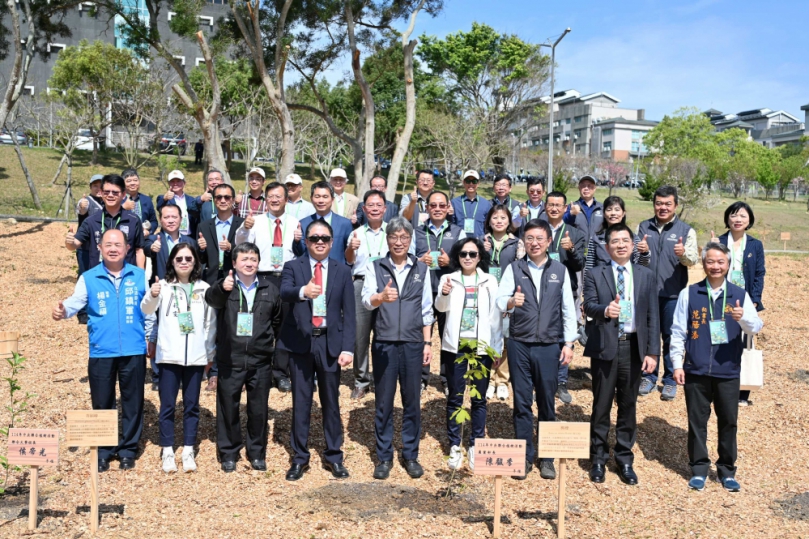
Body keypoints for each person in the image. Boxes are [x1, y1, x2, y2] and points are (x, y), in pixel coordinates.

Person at [52, 229, 148, 472]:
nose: (113, 249)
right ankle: (104, 450)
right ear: (99, 248)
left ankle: (128, 450)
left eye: (118, 244)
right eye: (108, 244)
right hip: (101, 350)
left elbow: (149, 311)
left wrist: (151, 339)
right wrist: (63, 310)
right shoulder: (89, 277)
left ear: (127, 248)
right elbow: (75, 302)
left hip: (133, 348)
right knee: (102, 401)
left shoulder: (139, 275)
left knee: (133, 401)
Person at [671, 242, 763, 492]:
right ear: (703, 264)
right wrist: (677, 364)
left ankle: (727, 470)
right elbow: (678, 331)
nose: (715, 266)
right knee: (696, 422)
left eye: (721, 262)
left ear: (728, 264)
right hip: (696, 369)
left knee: (728, 421)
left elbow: (756, 326)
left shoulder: (739, 294)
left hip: (728, 370)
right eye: (710, 261)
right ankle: (699, 469)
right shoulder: (689, 293)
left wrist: (743, 317)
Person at [496, 219, 579, 480]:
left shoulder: (560, 270)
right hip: (519, 343)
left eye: (539, 238)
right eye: (529, 238)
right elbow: (499, 300)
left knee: (546, 401)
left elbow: (568, 309)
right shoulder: (514, 268)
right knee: (522, 402)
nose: (534, 243)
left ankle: (547, 458)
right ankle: (523, 456)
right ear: (524, 241)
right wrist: (511, 301)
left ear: (549, 241)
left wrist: (569, 343)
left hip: (549, 345)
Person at [278, 220, 356, 481]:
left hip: (329, 343)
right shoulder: (293, 266)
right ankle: (300, 458)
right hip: (301, 343)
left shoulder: (342, 270)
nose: (319, 242)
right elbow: (284, 292)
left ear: (332, 242)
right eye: (314, 238)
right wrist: (304, 291)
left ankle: (334, 456)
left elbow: (349, 314)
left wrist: (348, 348)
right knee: (301, 402)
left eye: (324, 238)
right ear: (306, 242)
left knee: (331, 402)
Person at [582, 223, 660, 485]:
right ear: (607, 247)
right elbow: (588, 305)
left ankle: (624, 458)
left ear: (632, 244)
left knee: (628, 405)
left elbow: (653, 315)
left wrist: (653, 352)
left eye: (625, 240)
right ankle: (598, 458)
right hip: (605, 347)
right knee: (601, 405)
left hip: (634, 347)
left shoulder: (645, 274)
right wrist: (605, 310)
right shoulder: (595, 273)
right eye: (615, 241)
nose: (621, 245)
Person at [362, 217, 433, 480]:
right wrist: (380, 297)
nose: (399, 242)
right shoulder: (375, 266)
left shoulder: (421, 269)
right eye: (394, 236)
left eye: (404, 237)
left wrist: (427, 343)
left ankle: (410, 455)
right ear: (387, 239)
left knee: (412, 401)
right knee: (383, 401)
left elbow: (427, 309)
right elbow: (366, 300)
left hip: (413, 343)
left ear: (410, 239)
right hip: (384, 342)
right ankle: (384, 457)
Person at [205, 242, 283, 473]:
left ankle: (256, 453)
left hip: (260, 360)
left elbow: (277, 320)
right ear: (234, 263)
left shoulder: (270, 288)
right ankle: (229, 453)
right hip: (231, 358)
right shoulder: (226, 286)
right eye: (244, 259)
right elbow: (211, 299)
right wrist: (222, 288)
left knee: (258, 409)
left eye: (253, 259)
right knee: (228, 407)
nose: (249, 263)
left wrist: (267, 343)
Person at [141, 243, 216, 473]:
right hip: (169, 357)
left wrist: (209, 354)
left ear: (195, 262)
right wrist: (152, 295)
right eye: (179, 259)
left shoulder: (203, 288)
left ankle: (188, 449)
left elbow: (210, 324)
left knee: (192, 406)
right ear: (172, 262)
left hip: (195, 358)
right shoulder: (163, 286)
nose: (184, 262)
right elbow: (146, 309)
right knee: (167, 406)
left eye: (188, 258)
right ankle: (167, 450)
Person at [435, 237, 503, 471]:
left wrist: (497, 347)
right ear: (457, 256)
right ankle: (455, 445)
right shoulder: (448, 279)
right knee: (455, 397)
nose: (467, 258)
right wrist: (444, 294)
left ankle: (475, 444)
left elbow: (496, 316)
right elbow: (440, 307)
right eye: (463, 254)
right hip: (456, 346)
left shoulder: (489, 281)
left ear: (479, 257)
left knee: (479, 398)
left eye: (472, 254)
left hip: (481, 347)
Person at [234, 181, 300, 393]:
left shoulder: (295, 223)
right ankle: (255, 370)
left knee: (284, 327)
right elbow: (240, 243)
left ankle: (280, 373)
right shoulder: (256, 221)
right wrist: (245, 227)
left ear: (286, 199)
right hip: (263, 277)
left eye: (278, 196)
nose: (274, 200)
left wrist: (299, 240)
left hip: (287, 277)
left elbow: (299, 252)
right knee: (259, 325)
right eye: (270, 196)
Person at [636, 185, 699, 401]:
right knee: (648, 335)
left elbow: (692, 260)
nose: (663, 207)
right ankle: (648, 376)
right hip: (646, 292)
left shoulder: (686, 231)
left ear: (676, 205)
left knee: (671, 336)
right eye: (659, 203)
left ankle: (671, 379)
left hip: (673, 294)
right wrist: (642, 252)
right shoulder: (643, 227)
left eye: (667, 204)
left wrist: (683, 254)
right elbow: (636, 259)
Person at [415, 191, 466, 394]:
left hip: (448, 292)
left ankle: (446, 379)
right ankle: (421, 378)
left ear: (448, 208)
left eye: (441, 205)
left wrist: (451, 262)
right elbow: (405, 260)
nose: (437, 209)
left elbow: (468, 262)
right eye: (433, 205)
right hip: (422, 292)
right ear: (427, 207)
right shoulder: (417, 232)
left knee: (449, 336)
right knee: (421, 337)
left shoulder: (459, 233)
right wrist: (419, 261)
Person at [716, 202, 765, 407]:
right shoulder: (719, 241)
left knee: (745, 343)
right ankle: (719, 387)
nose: (738, 219)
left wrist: (755, 299)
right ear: (727, 218)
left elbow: (759, 274)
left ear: (749, 220)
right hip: (721, 297)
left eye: (743, 216)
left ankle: (742, 392)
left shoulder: (755, 245)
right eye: (734, 215)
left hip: (745, 300)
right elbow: (709, 267)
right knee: (719, 338)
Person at [197, 183, 245, 392]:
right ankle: (214, 373)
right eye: (218, 197)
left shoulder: (242, 225)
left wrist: (232, 248)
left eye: (227, 197)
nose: (223, 200)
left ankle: (236, 373)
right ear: (214, 201)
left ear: (233, 200)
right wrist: (200, 250)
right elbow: (199, 260)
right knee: (212, 328)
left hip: (236, 280)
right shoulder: (204, 225)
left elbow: (249, 254)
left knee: (235, 327)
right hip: (211, 281)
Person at [345, 190, 391, 400]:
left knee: (384, 333)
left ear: (385, 208)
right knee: (360, 335)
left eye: (378, 205)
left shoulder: (392, 231)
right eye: (370, 205)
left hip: (385, 283)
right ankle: (361, 381)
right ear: (363, 209)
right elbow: (349, 260)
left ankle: (382, 378)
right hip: (361, 283)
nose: (374, 209)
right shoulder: (356, 234)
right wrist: (351, 248)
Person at [544, 191, 586, 404]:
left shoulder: (575, 233)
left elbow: (579, 265)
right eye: (550, 204)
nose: (554, 208)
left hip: (566, 291)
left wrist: (571, 250)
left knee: (564, 335)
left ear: (565, 208)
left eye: (558, 205)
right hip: (541, 291)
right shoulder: (538, 229)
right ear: (545, 207)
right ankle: (543, 380)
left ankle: (561, 381)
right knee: (543, 335)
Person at [482, 204, 524, 401]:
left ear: (509, 221)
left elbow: (521, 269)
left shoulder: (516, 243)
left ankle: (502, 380)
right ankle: (489, 379)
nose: (499, 221)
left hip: (507, 296)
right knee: (488, 336)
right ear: (489, 221)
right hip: (486, 295)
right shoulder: (482, 241)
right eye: (495, 217)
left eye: (503, 218)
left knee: (506, 337)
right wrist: (482, 253)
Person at [67, 174, 146, 270]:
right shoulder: (91, 220)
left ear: (123, 195)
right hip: (99, 275)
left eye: (115, 192)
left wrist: (141, 274)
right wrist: (70, 242)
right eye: (106, 192)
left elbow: (139, 250)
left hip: (126, 275)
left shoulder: (133, 220)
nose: (110, 195)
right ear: (101, 193)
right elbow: (74, 245)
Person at [585, 196, 649, 272]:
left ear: (623, 213)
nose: (613, 213)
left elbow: (641, 266)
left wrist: (645, 253)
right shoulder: (596, 238)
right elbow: (589, 268)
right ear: (604, 214)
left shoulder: (633, 238)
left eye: (617, 210)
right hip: (602, 278)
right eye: (609, 210)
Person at [294, 181, 352, 265]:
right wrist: (297, 241)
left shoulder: (345, 224)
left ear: (332, 199)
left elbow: (350, 253)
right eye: (317, 196)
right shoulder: (303, 223)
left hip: (337, 270)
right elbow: (300, 253)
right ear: (311, 199)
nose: (321, 200)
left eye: (325, 197)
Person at [145, 204, 197, 283]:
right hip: (162, 285)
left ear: (181, 219)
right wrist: (152, 248)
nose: (171, 221)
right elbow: (146, 248)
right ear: (160, 219)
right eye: (166, 217)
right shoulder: (153, 239)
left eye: (174, 217)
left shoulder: (191, 242)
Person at [156, 170, 200, 237]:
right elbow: (159, 206)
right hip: (170, 236)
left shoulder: (191, 200)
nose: (175, 184)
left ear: (184, 183)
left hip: (189, 236)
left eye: (178, 181)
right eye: (172, 181)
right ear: (169, 183)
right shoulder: (163, 198)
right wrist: (164, 199)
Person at [450, 170, 492, 238]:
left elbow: (489, 226)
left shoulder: (486, 204)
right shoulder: (454, 203)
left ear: (478, 183)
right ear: (463, 182)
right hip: (459, 241)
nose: (471, 184)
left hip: (479, 242)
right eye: (468, 181)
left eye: (474, 181)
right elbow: (451, 224)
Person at [564, 175, 603, 240]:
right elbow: (562, 223)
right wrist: (571, 214)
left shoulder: (602, 207)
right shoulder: (572, 206)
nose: (586, 188)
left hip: (597, 245)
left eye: (589, 186)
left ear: (594, 188)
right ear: (579, 188)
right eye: (583, 186)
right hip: (578, 245)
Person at [121, 169, 158, 234]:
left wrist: (148, 231)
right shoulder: (118, 199)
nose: (133, 183)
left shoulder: (147, 200)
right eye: (129, 181)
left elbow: (154, 221)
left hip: (143, 237)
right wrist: (122, 207)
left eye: (135, 180)